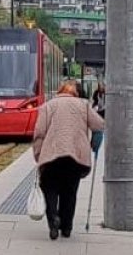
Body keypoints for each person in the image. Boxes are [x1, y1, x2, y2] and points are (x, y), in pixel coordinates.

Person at [32, 80, 104, 240]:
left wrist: (38, 155)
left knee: (49, 188)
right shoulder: (84, 105)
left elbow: (38, 133)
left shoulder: (47, 106)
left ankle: (53, 221)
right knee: (69, 191)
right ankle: (66, 228)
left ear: (60, 91)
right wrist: (94, 143)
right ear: (76, 93)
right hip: (75, 157)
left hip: (51, 155)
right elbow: (99, 125)